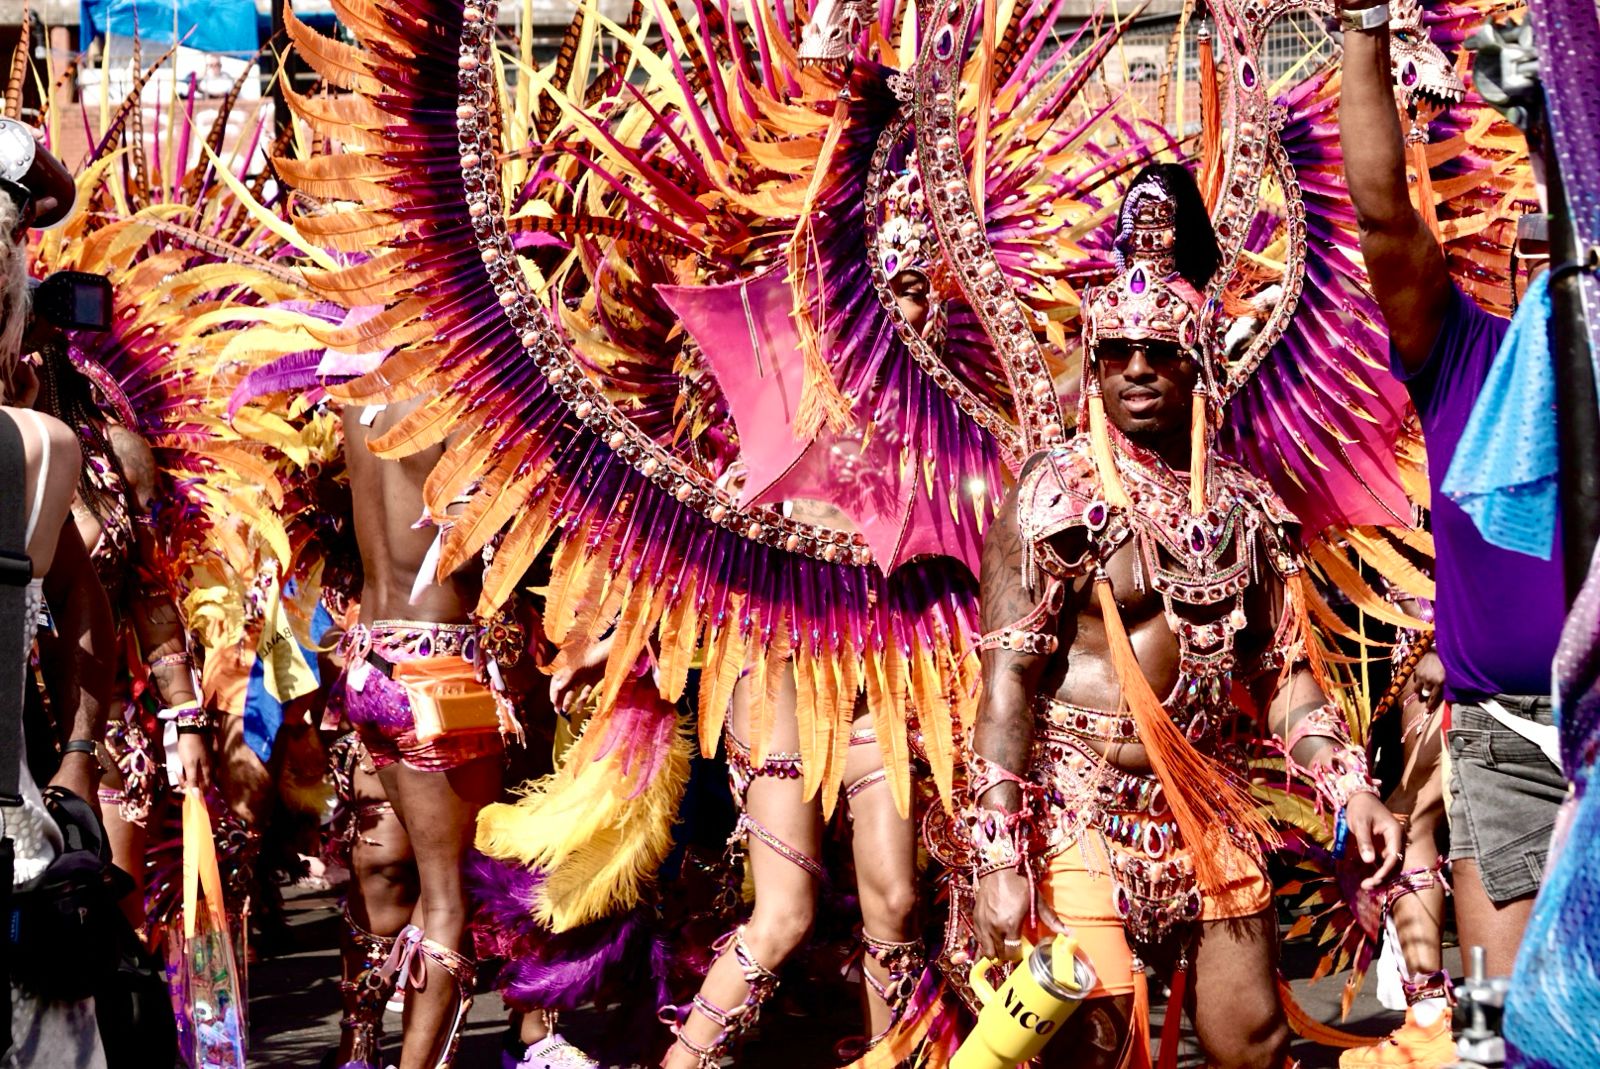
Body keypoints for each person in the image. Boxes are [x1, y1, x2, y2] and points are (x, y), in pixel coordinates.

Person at [966, 165, 1403, 1069]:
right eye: (1118, 351)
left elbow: (1282, 679)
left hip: (1209, 802)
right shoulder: (1054, 495)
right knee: (1097, 1043)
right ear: (1093, 364)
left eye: (1159, 352)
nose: (1137, 369)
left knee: (1250, 1040)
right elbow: (1008, 676)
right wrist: (999, 854)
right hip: (1081, 798)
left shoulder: (1246, 507)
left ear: (1197, 363)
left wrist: (1350, 787)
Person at [1337, 0, 1568, 1023]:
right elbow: (1384, 215)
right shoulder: (1462, 359)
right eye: (1529, 245)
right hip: (1505, 743)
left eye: (1569, 239)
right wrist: (1358, 31)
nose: (1552, 261)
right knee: (1501, 1026)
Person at [31, 342, 211, 937]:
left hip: (103, 730)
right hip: (16, 723)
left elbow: (150, 591)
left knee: (106, 921)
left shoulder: (115, 455)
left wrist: (184, 716)